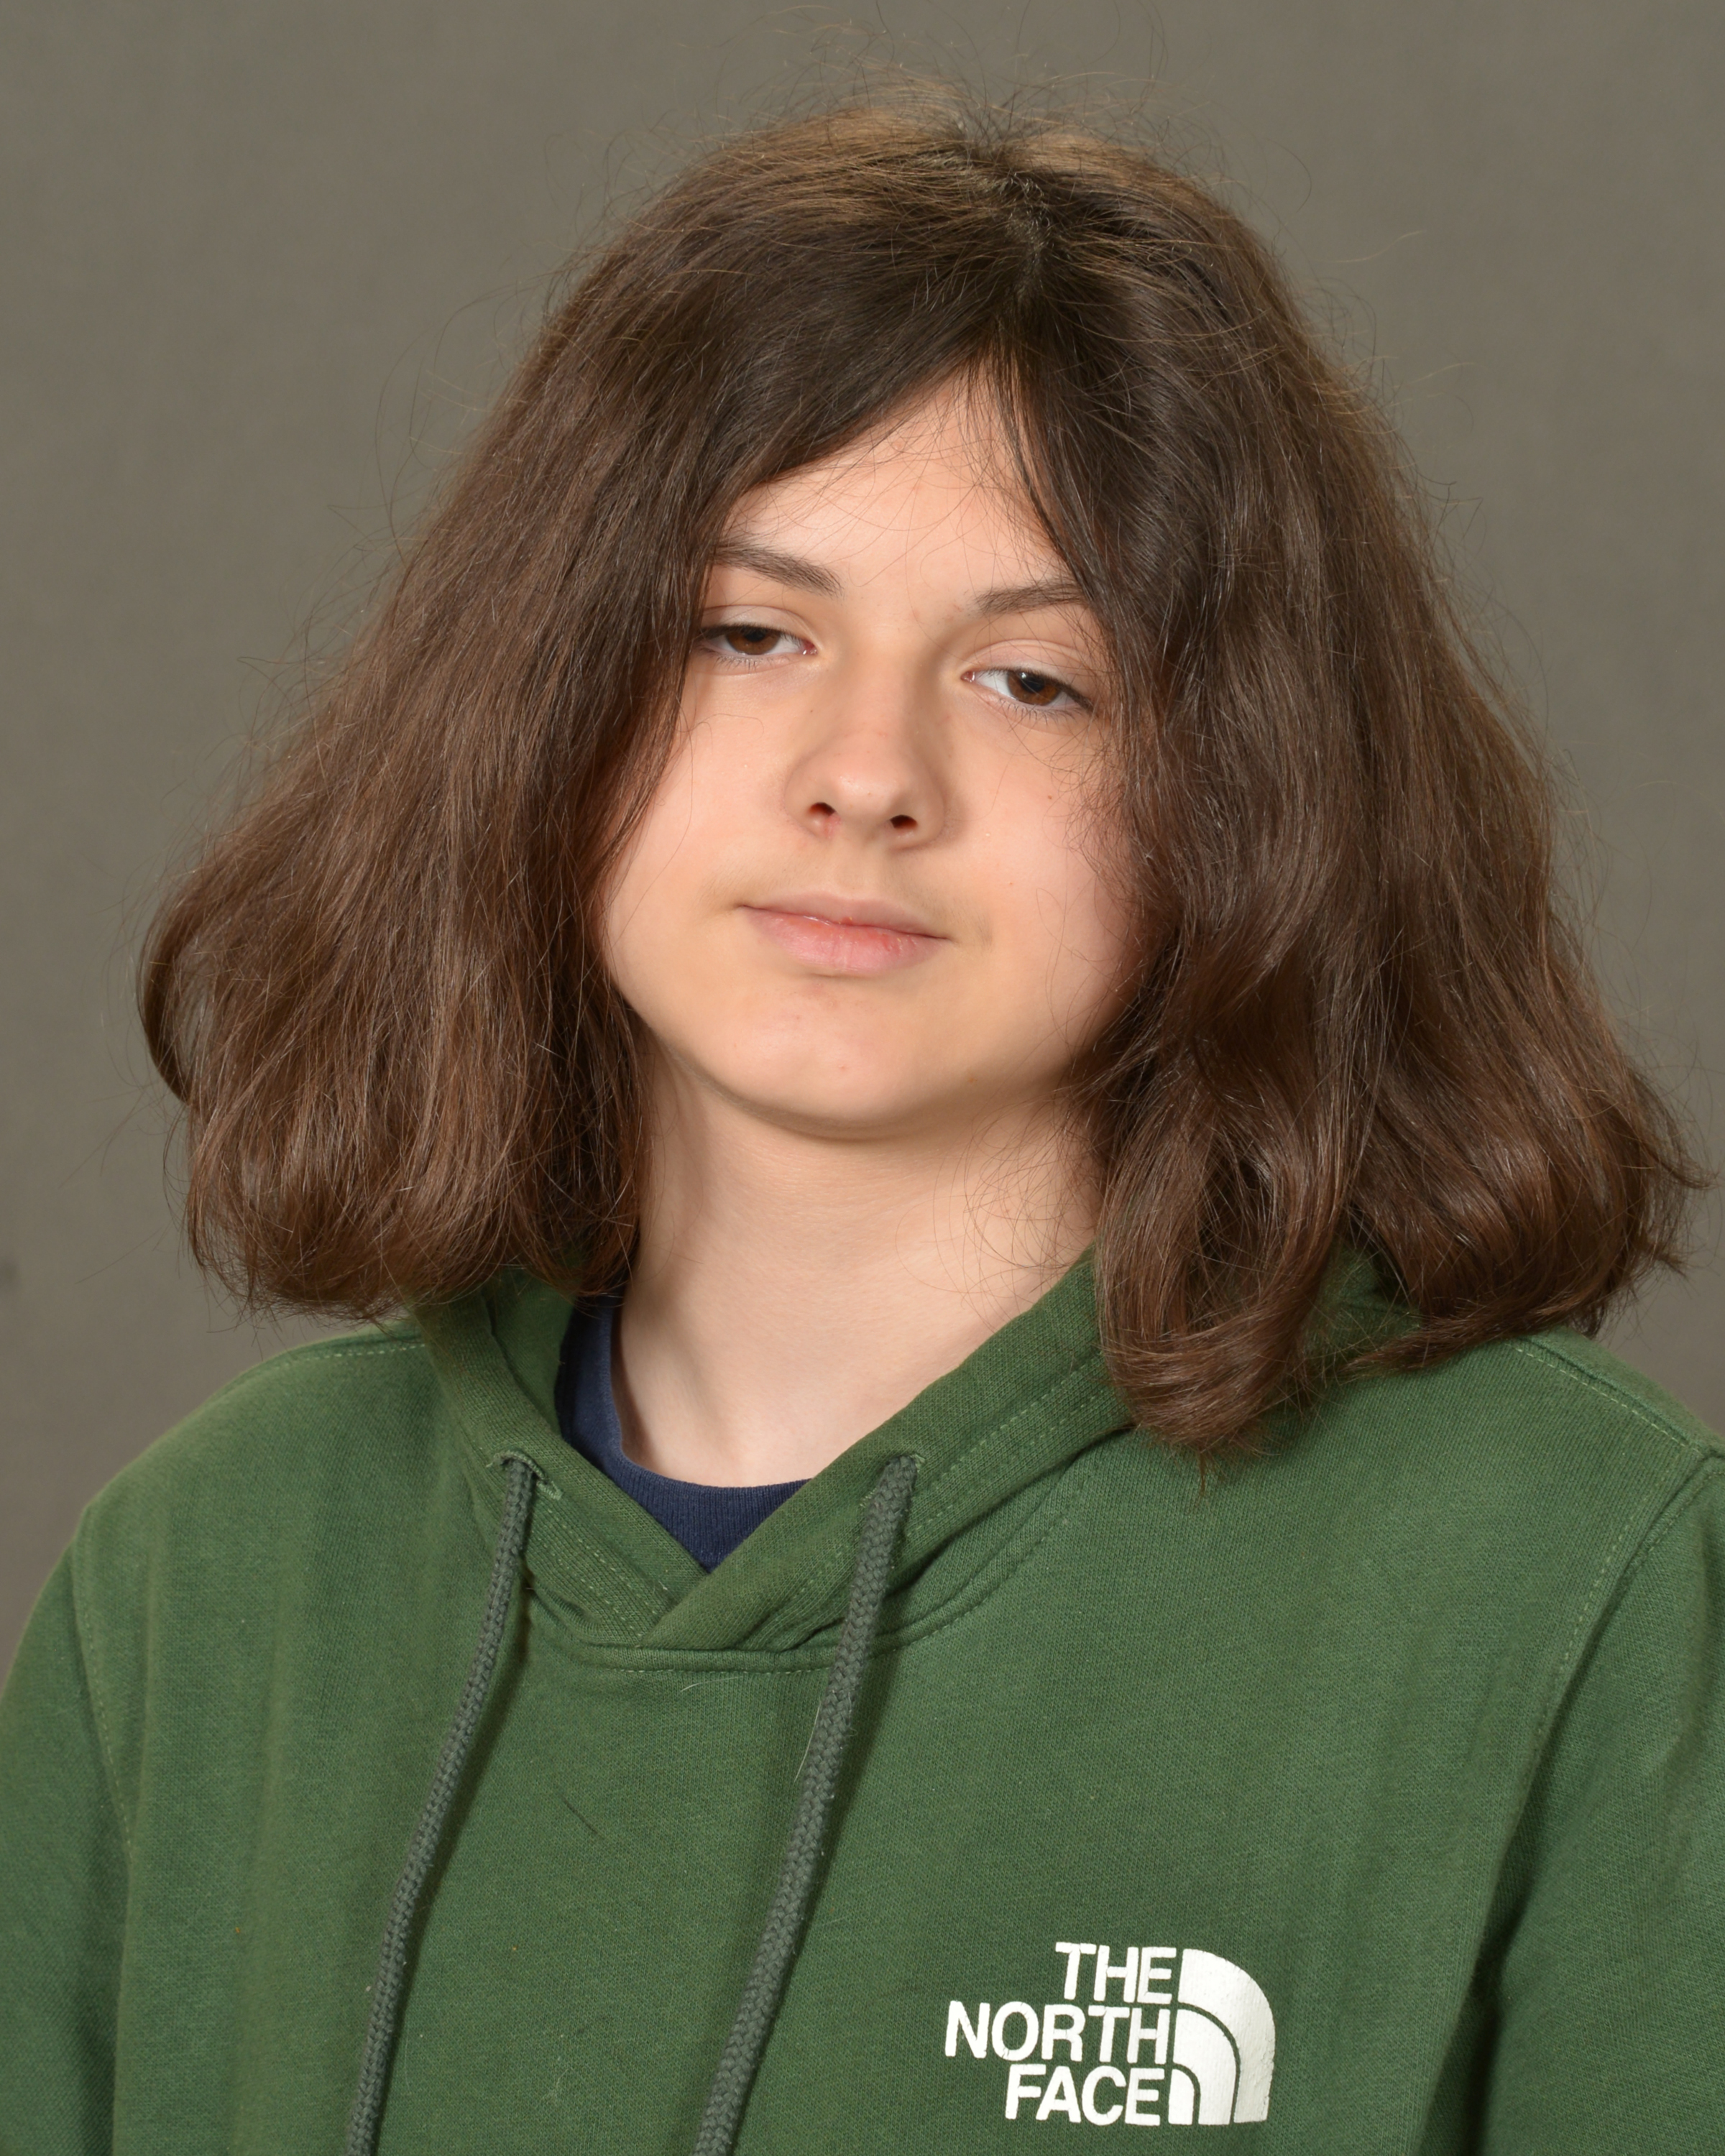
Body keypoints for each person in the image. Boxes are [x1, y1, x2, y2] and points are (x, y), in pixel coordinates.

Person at [1, 94, 1719, 2155]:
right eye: (750, 633)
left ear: (1243, 793)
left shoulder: (1569, 1574)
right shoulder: (201, 1585)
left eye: (1034, 679)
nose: (866, 772)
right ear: (542, 698)